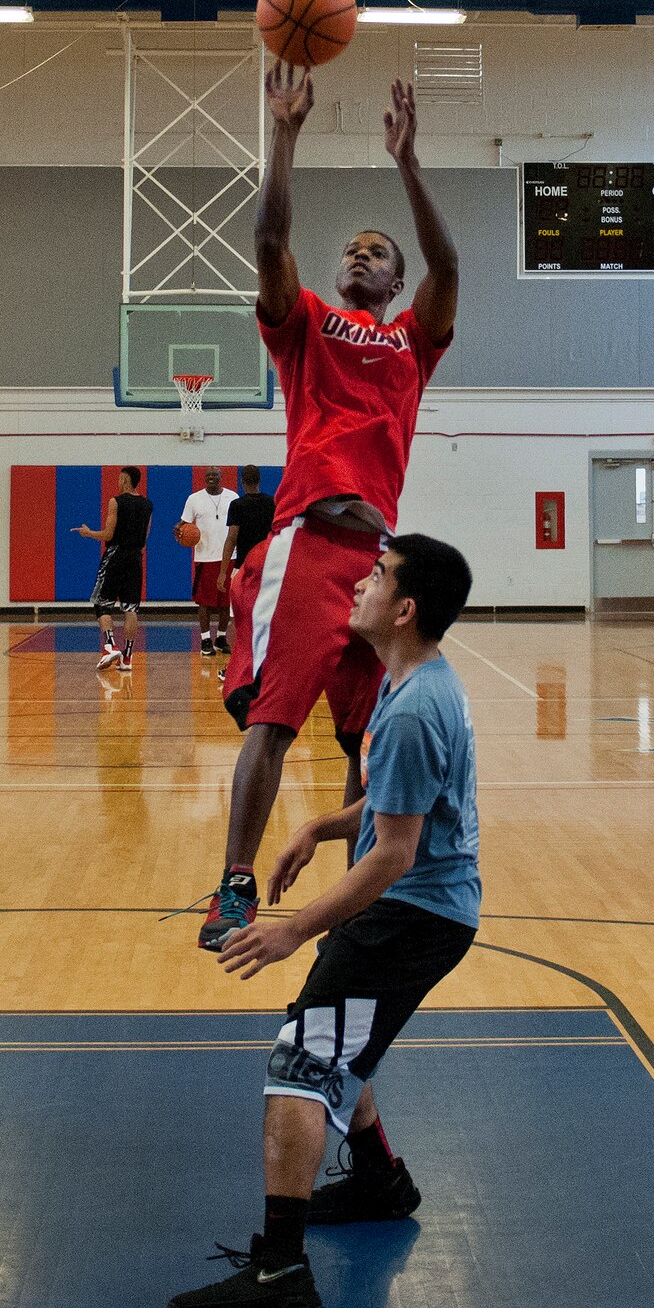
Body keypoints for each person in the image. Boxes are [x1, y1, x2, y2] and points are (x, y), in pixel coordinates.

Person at [168, 533, 479, 1308]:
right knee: (339, 1033)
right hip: (412, 905)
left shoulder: (413, 708)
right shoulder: (409, 680)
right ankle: (379, 1181)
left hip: (415, 914)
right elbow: (391, 808)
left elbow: (397, 854)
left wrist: (294, 931)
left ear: (404, 609)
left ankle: (280, 1271)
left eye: (376, 576)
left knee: (300, 1060)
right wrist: (318, 825)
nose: (359, 583)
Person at [199, 71, 458, 952]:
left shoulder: (412, 342)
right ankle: (233, 888)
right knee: (274, 721)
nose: (359, 254)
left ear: (394, 279)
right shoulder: (306, 321)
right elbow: (271, 236)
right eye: (351, 247)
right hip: (307, 542)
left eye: (376, 251)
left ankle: (356, 894)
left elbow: (449, 265)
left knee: (366, 738)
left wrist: (408, 163)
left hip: (376, 558)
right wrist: (285, 134)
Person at [75, 469, 153, 674]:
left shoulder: (115, 501)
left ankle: (110, 646)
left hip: (115, 555)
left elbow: (108, 533)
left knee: (102, 604)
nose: (118, 481)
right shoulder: (147, 505)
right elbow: (144, 539)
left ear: (125, 480)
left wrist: (89, 533)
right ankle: (127, 658)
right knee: (131, 608)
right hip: (136, 557)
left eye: (120, 478)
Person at [176, 464, 237, 658]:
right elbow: (183, 524)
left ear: (221, 477)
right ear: (204, 478)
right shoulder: (194, 499)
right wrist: (177, 530)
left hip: (229, 557)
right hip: (204, 557)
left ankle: (220, 637)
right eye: (208, 474)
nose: (211, 477)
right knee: (204, 602)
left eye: (215, 474)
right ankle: (205, 640)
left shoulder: (233, 497)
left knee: (226, 602)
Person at [217, 465, 275, 631]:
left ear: (242, 482)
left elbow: (231, 538)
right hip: (267, 566)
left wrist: (222, 572)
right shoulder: (272, 503)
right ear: (259, 480)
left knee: (240, 617)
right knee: (267, 617)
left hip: (243, 566)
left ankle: (242, 655)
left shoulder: (237, 505)